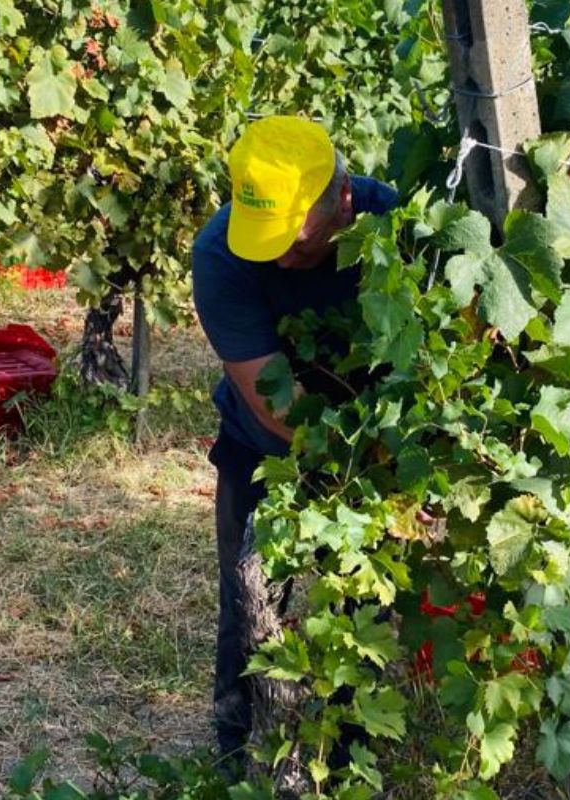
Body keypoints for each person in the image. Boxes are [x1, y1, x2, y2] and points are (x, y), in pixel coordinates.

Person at [191, 116, 397, 767]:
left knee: (363, 605)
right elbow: (274, 401)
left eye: (298, 249)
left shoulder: (392, 221)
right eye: (267, 246)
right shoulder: (221, 252)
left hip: (379, 451)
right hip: (264, 447)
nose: (281, 261)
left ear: (342, 199)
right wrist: (354, 459)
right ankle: (235, 747)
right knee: (248, 597)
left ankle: (349, 746)